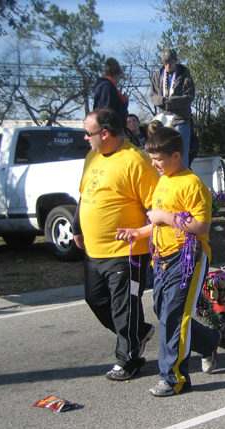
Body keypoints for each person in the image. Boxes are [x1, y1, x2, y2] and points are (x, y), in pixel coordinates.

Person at [114, 128, 221, 396]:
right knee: (164, 311)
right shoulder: (164, 180)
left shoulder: (192, 184)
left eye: (158, 159)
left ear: (176, 155)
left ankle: (174, 379)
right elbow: (157, 222)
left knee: (175, 317)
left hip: (188, 259)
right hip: (161, 259)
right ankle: (209, 341)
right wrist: (138, 232)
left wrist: (165, 217)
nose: (154, 164)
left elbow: (202, 225)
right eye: (151, 158)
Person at [73, 107, 159, 381]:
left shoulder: (135, 161)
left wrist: (149, 237)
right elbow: (83, 195)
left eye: (89, 133)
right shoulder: (92, 157)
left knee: (125, 307)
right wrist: (78, 228)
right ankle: (138, 332)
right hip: (94, 251)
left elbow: (155, 207)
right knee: (96, 299)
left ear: (106, 133)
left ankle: (128, 358)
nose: (86, 138)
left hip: (127, 252)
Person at [150, 49, 195, 168]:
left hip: (180, 120)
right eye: (165, 63)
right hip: (164, 120)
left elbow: (189, 97)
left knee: (181, 153)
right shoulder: (157, 76)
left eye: (170, 63)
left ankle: (183, 180)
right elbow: (153, 96)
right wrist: (162, 101)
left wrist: (170, 102)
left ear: (175, 61)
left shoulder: (185, 76)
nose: (167, 66)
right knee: (164, 153)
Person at [92, 58, 129, 129]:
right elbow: (107, 111)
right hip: (112, 129)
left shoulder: (105, 86)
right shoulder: (108, 87)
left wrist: (124, 101)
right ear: (117, 76)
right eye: (119, 77)